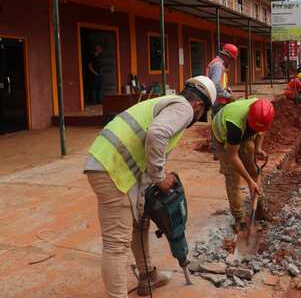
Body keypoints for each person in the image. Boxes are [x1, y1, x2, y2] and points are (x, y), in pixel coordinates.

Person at [84, 76, 217, 297]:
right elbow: (157, 134)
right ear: (199, 105)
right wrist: (159, 177)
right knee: (116, 244)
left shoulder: (168, 102)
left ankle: (148, 276)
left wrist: (143, 198)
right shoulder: (184, 108)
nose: (199, 117)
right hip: (111, 168)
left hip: (111, 164)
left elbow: (146, 149)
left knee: (139, 224)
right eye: (202, 113)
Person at [212, 98, 276, 232]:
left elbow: (261, 131)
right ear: (249, 117)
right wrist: (249, 181)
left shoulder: (263, 111)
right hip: (223, 136)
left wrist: (258, 148)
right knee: (233, 177)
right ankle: (239, 218)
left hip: (245, 133)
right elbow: (233, 156)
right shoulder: (234, 125)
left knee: (254, 171)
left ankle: (260, 211)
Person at [207, 43, 239, 114]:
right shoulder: (218, 65)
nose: (231, 62)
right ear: (227, 56)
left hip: (219, 100)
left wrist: (227, 89)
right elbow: (216, 84)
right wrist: (229, 96)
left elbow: (220, 82)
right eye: (231, 59)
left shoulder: (217, 63)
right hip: (218, 102)